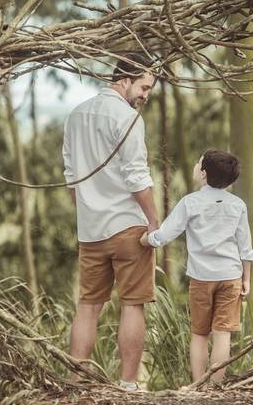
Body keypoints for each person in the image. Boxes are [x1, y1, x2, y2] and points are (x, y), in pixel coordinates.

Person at [62, 53, 158, 391]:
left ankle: (75, 382)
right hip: (129, 228)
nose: (146, 95)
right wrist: (154, 222)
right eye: (144, 87)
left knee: (88, 307)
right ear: (125, 79)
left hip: (91, 230)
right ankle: (128, 385)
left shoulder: (76, 115)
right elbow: (137, 177)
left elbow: (72, 180)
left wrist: (89, 211)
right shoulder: (128, 118)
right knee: (133, 305)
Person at [139, 149, 253, 383]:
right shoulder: (238, 205)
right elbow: (245, 245)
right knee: (222, 334)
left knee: (200, 334)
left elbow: (166, 233)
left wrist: (146, 240)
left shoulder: (190, 202)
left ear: (203, 173)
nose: (195, 165)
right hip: (231, 277)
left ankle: (198, 386)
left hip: (202, 278)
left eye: (198, 163)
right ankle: (215, 387)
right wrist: (246, 278)